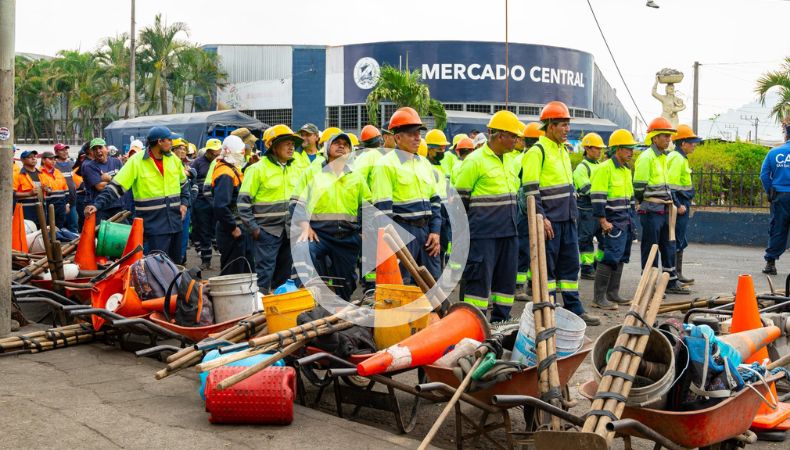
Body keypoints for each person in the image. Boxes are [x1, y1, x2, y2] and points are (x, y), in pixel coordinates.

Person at [520, 101, 600, 326]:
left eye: (567, 124)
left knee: (570, 265)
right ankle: (550, 311)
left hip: (568, 218)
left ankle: (574, 310)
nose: (567, 129)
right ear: (550, 126)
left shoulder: (563, 151)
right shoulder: (537, 152)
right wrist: (542, 218)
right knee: (548, 268)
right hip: (550, 221)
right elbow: (531, 191)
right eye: (562, 124)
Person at [86, 126, 189, 262]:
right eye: (169, 140)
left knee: (175, 263)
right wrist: (97, 205)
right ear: (159, 142)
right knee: (158, 264)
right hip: (154, 224)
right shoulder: (136, 161)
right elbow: (116, 187)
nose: (171, 143)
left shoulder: (173, 160)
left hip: (175, 222)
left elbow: (184, 184)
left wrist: (184, 203)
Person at [455, 111, 521, 322]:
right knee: (478, 283)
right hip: (483, 236)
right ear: (500, 136)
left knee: (506, 283)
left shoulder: (510, 161)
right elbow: (459, 201)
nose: (516, 140)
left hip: (509, 233)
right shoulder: (474, 161)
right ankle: (472, 324)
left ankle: (501, 323)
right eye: (513, 136)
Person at [291, 132, 371, 300]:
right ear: (327, 148)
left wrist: (364, 232)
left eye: (345, 145)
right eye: (337, 143)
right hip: (318, 235)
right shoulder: (312, 173)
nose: (341, 146)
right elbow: (296, 203)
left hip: (348, 237)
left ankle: (342, 307)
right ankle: (307, 299)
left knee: (346, 282)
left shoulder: (356, 176)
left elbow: (368, 208)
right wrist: (305, 226)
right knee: (303, 250)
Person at [370, 107, 442, 284]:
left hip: (427, 234)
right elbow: (382, 210)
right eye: (411, 134)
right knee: (402, 284)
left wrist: (435, 232)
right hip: (401, 232)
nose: (417, 138)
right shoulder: (385, 165)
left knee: (432, 284)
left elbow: (435, 202)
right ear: (397, 137)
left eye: (418, 133)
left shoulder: (424, 164)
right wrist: (392, 243)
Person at [238, 124, 303, 294]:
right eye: (287, 143)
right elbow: (243, 203)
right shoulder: (257, 169)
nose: (291, 147)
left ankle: (279, 304)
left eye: (292, 144)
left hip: (290, 231)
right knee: (264, 274)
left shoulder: (297, 169)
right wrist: (255, 229)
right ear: (273, 147)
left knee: (285, 273)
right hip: (266, 231)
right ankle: (259, 305)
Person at [634, 117, 689, 294]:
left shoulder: (663, 157)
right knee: (651, 248)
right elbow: (639, 187)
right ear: (655, 138)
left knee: (668, 245)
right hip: (651, 211)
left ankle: (670, 281)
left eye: (669, 136)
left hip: (664, 210)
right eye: (665, 136)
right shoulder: (646, 158)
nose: (668, 139)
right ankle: (648, 285)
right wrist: (646, 202)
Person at [590, 130, 638, 310]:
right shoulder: (605, 168)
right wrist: (603, 221)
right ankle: (598, 298)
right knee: (610, 256)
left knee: (621, 256)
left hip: (625, 220)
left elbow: (630, 197)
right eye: (628, 149)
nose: (631, 152)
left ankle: (613, 293)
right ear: (617, 149)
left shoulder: (626, 170)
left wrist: (632, 219)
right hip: (612, 221)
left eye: (632, 149)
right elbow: (597, 197)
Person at [509, 122, 542, 301]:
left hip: (526, 207)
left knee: (529, 248)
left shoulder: (520, 159)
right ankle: (519, 286)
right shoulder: (527, 159)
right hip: (524, 209)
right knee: (525, 248)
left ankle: (529, 284)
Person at [212, 135, 252, 274]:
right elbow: (220, 206)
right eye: (241, 153)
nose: (242, 155)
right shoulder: (225, 173)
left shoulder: (231, 169)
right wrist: (233, 227)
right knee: (233, 270)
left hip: (237, 227)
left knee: (242, 268)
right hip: (232, 230)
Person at [668, 124, 700, 283]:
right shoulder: (677, 159)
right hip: (679, 205)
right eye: (692, 142)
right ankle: (674, 275)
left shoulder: (679, 158)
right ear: (683, 143)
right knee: (677, 239)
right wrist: (678, 204)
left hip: (682, 204)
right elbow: (671, 185)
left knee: (680, 239)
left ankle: (677, 274)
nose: (694, 145)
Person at [573, 133, 605, 280]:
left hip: (599, 209)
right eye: (596, 148)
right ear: (587, 148)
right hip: (586, 210)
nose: (599, 151)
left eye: (600, 148)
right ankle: (587, 268)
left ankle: (598, 265)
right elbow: (586, 189)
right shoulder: (582, 168)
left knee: (605, 240)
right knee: (586, 240)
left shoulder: (600, 166)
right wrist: (603, 194)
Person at [760, 122, 790, 275]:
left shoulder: (774, 152)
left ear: (786, 135)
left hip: (780, 196)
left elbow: (764, 175)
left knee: (777, 229)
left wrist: (770, 192)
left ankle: (770, 263)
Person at [191, 138, 221, 270]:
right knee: (204, 232)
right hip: (202, 202)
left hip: (216, 202)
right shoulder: (197, 163)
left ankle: (222, 257)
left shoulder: (220, 162)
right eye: (213, 152)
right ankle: (206, 260)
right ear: (207, 151)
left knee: (217, 230)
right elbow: (192, 179)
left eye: (218, 151)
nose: (215, 154)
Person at [82, 138, 125, 223]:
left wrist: (109, 179)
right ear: (92, 152)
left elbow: (123, 182)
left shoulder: (117, 162)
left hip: (118, 205)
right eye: (95, 149)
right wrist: (116, 180)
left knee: (123, 230)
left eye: (100, 147)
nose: (98, 151)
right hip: (101, 208)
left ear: (107, 149)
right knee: (102, 231)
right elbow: (100, 187)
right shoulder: (89, 166)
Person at [38, 151, 70, 229]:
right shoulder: (38, 173)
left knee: (59, 227)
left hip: (61, 204)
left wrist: (67, 204)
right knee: (48, 227)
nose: (53, 161)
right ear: (43, 160)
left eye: (54, 159)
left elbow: (65, 189)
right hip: (48, 205)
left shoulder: (58, 172)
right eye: (50, 159)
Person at [13, 150, 45, 223]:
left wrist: (47, 190)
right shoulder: (17, 175)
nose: (33, 158)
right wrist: (29, 193)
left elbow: (46, 191)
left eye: (35, 156)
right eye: (30, 157)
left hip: (41, 209)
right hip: (26, 211)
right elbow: (11, 193)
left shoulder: (41, 174)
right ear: (22, 160)